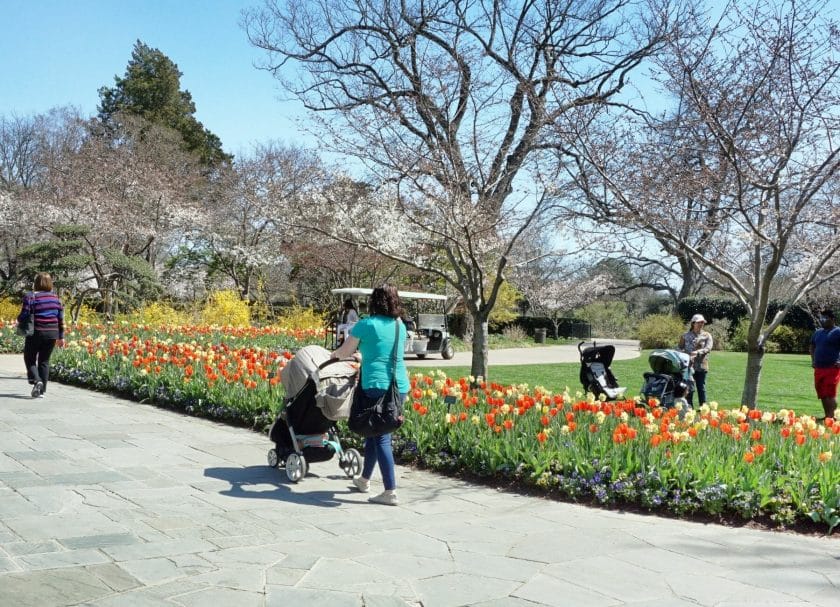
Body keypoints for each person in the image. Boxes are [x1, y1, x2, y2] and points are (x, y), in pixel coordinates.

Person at [332, 285, 408, 506]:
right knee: (376, 431)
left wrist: (334, 355)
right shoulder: (399, 326)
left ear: (374, 302)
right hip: (399, 385)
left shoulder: (366, 324)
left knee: (381, 435)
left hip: (375, 385)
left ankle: (390, 491)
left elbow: (345, 352)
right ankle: (364, 480)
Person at [17, 272, 65, 398]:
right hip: (52, 334)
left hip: (36, 332)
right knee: (44, 361)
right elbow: (60, 320)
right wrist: (61, 337)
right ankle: (41, 391)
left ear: (36, 283)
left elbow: (25, 314)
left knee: (30, 358)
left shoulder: (30, 296)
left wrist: (19, 320)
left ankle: (37, 380)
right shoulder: (56, 299)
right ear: (50, 284)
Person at [809, 309, 840, 421]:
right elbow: (812, 346)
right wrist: (813, 360)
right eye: (821, 318)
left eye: (825, 318)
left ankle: (832, 417)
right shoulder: (818, 332)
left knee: (829, 393)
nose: (822, 320)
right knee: (822, 393)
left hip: (832, 367)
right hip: (819, 367)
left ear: (832, 319)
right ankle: (827, 416)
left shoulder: (837, 331)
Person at [678, 314, 714, 407]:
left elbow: (708, 348)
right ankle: (689, 407)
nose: (701, 324)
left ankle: (703, 408)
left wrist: (697, 352)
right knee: (689, 387)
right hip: (688, 366)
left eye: (702, 322)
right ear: (693, 323)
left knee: (701, 388)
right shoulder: (685, 336)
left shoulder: (707, 335)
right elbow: (679, 348)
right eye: (699, 322)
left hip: (701, 366)